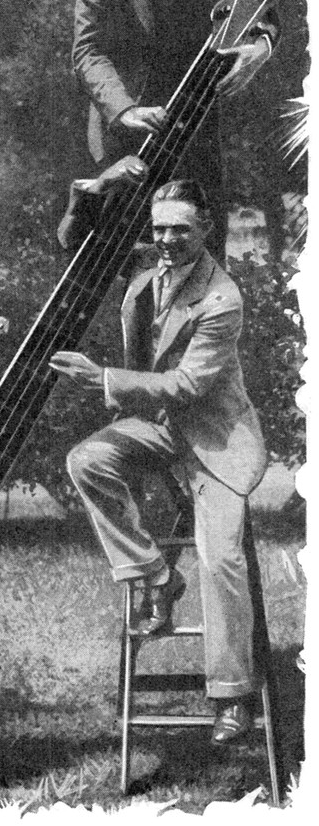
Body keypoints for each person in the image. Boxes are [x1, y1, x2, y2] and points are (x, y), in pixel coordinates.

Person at [50, 157, 267, 745]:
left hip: (215, 442)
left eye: (181, 230)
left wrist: (103, 379)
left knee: (220, 559)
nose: (168, 240)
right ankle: (156, 576)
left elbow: (189, 386)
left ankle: (232, 695)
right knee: (86, 460)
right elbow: (74, 247)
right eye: (160, 228)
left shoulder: (221, 297)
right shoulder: (150, 270)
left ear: (206, 231)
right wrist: (91, 190)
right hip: (160, 428)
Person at [72, 0, 279, 258]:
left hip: (200, 118)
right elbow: (87, 48)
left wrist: (260, 48)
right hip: (132, 131)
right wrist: (125, 110)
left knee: (202, 247)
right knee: (126, 258)